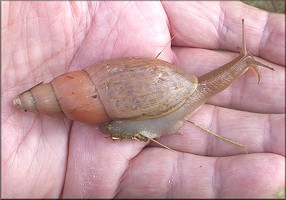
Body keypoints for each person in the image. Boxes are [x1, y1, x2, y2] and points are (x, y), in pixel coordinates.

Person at [2, 1, 285, 198]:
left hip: (104, 91)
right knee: (195, 90)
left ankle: (243, 61)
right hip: (98, 94)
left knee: (194, 90)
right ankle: (243, 62)